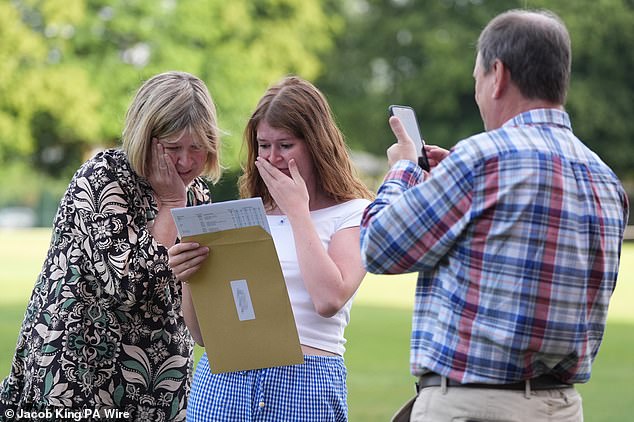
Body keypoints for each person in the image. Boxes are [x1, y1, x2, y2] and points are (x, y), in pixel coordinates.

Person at [360, 9, 629, 422]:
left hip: (474, 405)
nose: (478, 92)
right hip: (562, 407)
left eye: (477, 79)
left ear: (498, 74)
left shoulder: (483, 158)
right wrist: (458, 181)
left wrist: (404, 168)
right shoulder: (604, 179)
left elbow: (378, 245)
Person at [0, 71, 222, 421]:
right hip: (80, 376)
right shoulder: (103, 178)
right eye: (173, 147)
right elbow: (125, 286)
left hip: (159, 380)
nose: (185, 161)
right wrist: (171, 205)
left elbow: (198, 294)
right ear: (145, 137)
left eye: (196, 148)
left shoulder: (198, 194)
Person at [168, 76, 374, 421]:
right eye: (264, 146)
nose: (273, 158)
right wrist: (189, 276)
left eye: (285, 145)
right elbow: (203, 334)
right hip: (223, 386)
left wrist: (297, 211)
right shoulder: (246, 214)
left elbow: (329, 299)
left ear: (316, 145)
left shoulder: (354, 213)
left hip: (306, 384)